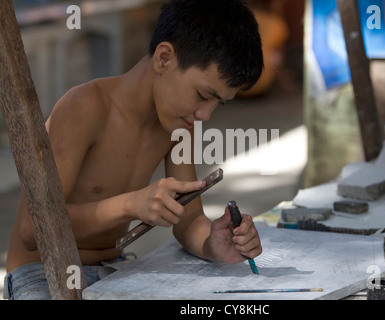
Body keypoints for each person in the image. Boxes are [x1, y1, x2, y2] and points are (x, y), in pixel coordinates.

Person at [4, 0, 263, 300]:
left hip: (112, 269)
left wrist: (212, 242)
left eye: (218, 103)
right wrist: (131, 205)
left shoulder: (179, 127)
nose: (205, 114)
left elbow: (189, 218)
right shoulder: (85, 107)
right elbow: (32, 229)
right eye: (203, 95)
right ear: (164, 58)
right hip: (41, 273)